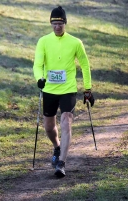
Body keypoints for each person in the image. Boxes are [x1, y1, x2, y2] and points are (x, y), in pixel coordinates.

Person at [33, 6, 95, 178]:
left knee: (66, 121)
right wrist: (39, 78)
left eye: (60, 23)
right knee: (49, 127)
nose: (57, 27)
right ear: (50, 24)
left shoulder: (75, 43)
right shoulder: (43, 41)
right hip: (50, 89)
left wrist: (87, 89)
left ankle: (61, 162)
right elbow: (38, 65)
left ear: (65, 23)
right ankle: (57, 146)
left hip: (68, 89)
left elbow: (85, 65)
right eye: (54, 23)